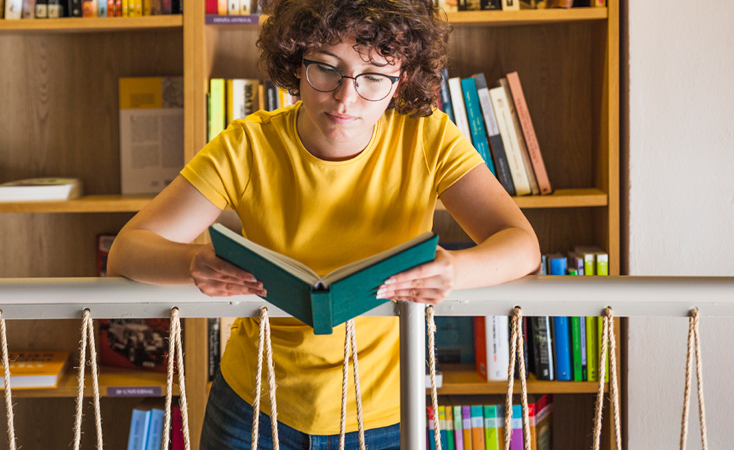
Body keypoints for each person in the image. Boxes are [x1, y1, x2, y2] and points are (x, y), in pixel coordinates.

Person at [107, 0, 541, 447]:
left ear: (401, 81)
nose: (345, 97)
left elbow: (523, 245)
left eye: (373, 76)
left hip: (387, 412)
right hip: (252, 404)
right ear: (296, 64)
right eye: (327, 69)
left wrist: (455, 271)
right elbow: (127, 251)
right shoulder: (246, 146)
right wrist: (194, 262)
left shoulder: (428, 137)